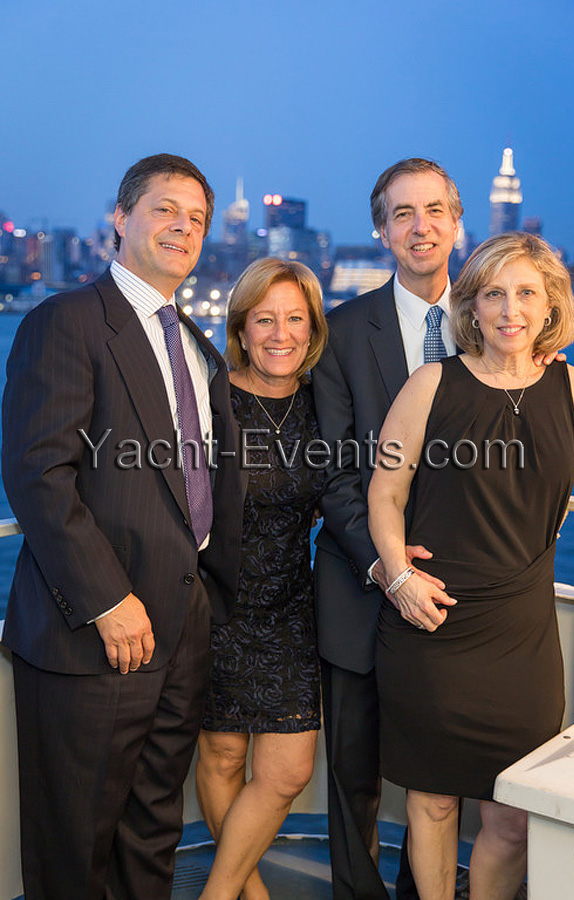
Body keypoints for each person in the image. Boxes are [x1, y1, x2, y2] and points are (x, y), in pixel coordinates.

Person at [1, 153, 245, 900]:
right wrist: (107, 600)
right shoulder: (67, 321)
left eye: (196, 218)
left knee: (152, 832)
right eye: (164, 209)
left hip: (182, 632)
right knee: (75, 844)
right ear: (120, 217)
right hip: (93, 636)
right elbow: (39, 475)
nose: (182, 227)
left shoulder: (198, 347)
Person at [368, 231, 574, 900]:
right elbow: (385, 492)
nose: (510, 310)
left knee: (514, 818)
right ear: (471, 305)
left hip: (523, 635)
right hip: (432, 624)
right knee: (435, 802)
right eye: (494, 294)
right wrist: (398, 576)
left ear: (551, 304)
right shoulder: (431, 383)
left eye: (527, 293)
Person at [311, 157, 465, 900]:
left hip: (461, 593)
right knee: (355, 776)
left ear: (457, 223)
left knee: (441, 777)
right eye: (402, 213)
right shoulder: (341, 333)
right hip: (362, 588)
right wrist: (387, 565)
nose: (420, 226)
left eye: (434, 210)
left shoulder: (496, 326)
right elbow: (333, 473)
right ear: (381, 231)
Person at [194, 257, 328, 900]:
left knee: (287, 771)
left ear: (313, 330)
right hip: (213, 604)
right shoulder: (209, 399)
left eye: (295, 319)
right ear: (242, 330)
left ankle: (217, 894)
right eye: (265, 319)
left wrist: (539, 355)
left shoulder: (326, 400)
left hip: (291, 607)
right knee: (222, 756)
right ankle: (247, 895)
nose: (281, 334)